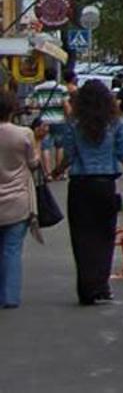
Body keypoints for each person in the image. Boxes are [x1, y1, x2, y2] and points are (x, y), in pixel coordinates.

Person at [47, 79, 123, 305]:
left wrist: (55, 171)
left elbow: (69, 156)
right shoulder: (116, 123)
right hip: (105, 186)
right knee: (105, 236)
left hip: (80, 185)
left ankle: (85, 288)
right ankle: (101, 286)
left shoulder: (75, 124)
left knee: (82, 237)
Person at [0, 87, 41, 309]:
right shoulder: (23, 133)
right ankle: (9, 297)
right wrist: (39, 140)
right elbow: (34, 163)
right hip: (17, 199)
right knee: (12, 249)